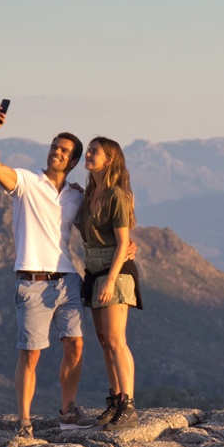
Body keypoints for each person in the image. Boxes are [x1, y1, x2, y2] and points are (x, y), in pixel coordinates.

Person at [0, 104, 87, 438]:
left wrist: (128, 244)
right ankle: (24, 423)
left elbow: (102, 226)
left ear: (72, 161)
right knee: (31, 354)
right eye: (54, 146)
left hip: (68, 279)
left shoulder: (75, 196)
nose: (55, 151)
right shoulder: (27, 181)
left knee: (76, 345)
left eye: (63, 150)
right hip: (32, 281)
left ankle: (67, 413)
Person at [77, 136, 143, 430]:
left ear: (110, 159)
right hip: (93, 270)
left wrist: (110, 281)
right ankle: (116, 398)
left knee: (116, 339)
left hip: (114, 272)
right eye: (89, 150)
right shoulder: (90, 193)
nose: (88, 154)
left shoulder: (116, 194)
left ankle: (128, 405)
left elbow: (123, 243)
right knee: (104, 341)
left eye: (95, 151)